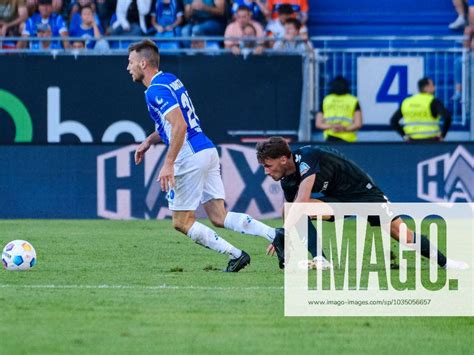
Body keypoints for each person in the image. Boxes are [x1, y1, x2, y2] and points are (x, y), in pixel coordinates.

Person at [127, 40, 279, 272]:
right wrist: (149, 141)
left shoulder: (155, 91)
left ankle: (236, 254)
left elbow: (179, 126)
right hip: (206, 150)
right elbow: (173, 123)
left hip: (188, 156)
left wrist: (168, 163)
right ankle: (275, 234)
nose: (128, 68)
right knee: (219, 215)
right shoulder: (170, 80)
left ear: (143, 63)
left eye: (131, 62)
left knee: (181, 222)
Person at [256, 136, 469, 271]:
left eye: (268, 165)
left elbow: (301, 200)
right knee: (296, 209)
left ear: (284, 159)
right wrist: (286, 237)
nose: (266, 171)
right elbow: (291, 207)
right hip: (338, 201)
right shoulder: (287, 180)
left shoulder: (308, 157)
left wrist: (282, 232)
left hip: (364, 193)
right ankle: (321, 260)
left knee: (401, 233)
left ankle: (446, 263)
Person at [390, 77, 452, 142]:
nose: (435, 87)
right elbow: (447, 117)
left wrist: (404, 136)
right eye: (432, 85)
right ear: (426, 87)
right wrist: (443, 135)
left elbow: (393, 121)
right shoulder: (433, 101)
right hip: (431, 142)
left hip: (411, 142)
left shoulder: (407, 102)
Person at [315, 76, 362, 142]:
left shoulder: (326, 100)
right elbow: (358, 124)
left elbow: (318, 124)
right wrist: (344, 128)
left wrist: (332, 126)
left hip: (330, 138)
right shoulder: (353, 100)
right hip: (348, 139)